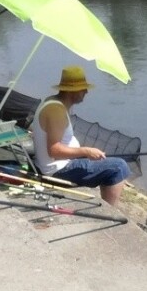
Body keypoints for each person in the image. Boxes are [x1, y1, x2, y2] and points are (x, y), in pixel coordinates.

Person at [31, 66, 130, 206]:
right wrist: (85, 151)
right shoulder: (55, 111)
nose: (86, 92)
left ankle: (107, 203)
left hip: (58, 164)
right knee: (119, 167)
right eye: (83, 89)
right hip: (57, 170)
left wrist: (84, 152)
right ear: (73, 91)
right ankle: (111, 211)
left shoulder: (54, 102)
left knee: (109, 162)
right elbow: (54, 151)